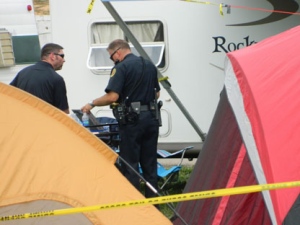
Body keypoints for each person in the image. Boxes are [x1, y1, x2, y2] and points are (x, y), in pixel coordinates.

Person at [81, 39, 161, 198]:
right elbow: (157, 93)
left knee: (130, 165)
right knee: (150, 165)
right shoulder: (149, 65)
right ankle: (154, 207)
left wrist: (92, 103)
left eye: (111, 57)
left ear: (117, 52)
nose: (113, 60)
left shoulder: (121, 67)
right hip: (151, 119)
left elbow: (112, 97)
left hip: (132, 121)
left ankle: (135, 207)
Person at [10, 43, 69, 114]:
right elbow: (63, 113)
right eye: (62, 56)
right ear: (52, 56)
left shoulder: (23, 73)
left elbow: (9, 95)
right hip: (45, 122)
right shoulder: (56, 79)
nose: (64, 60)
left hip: (23, 120)